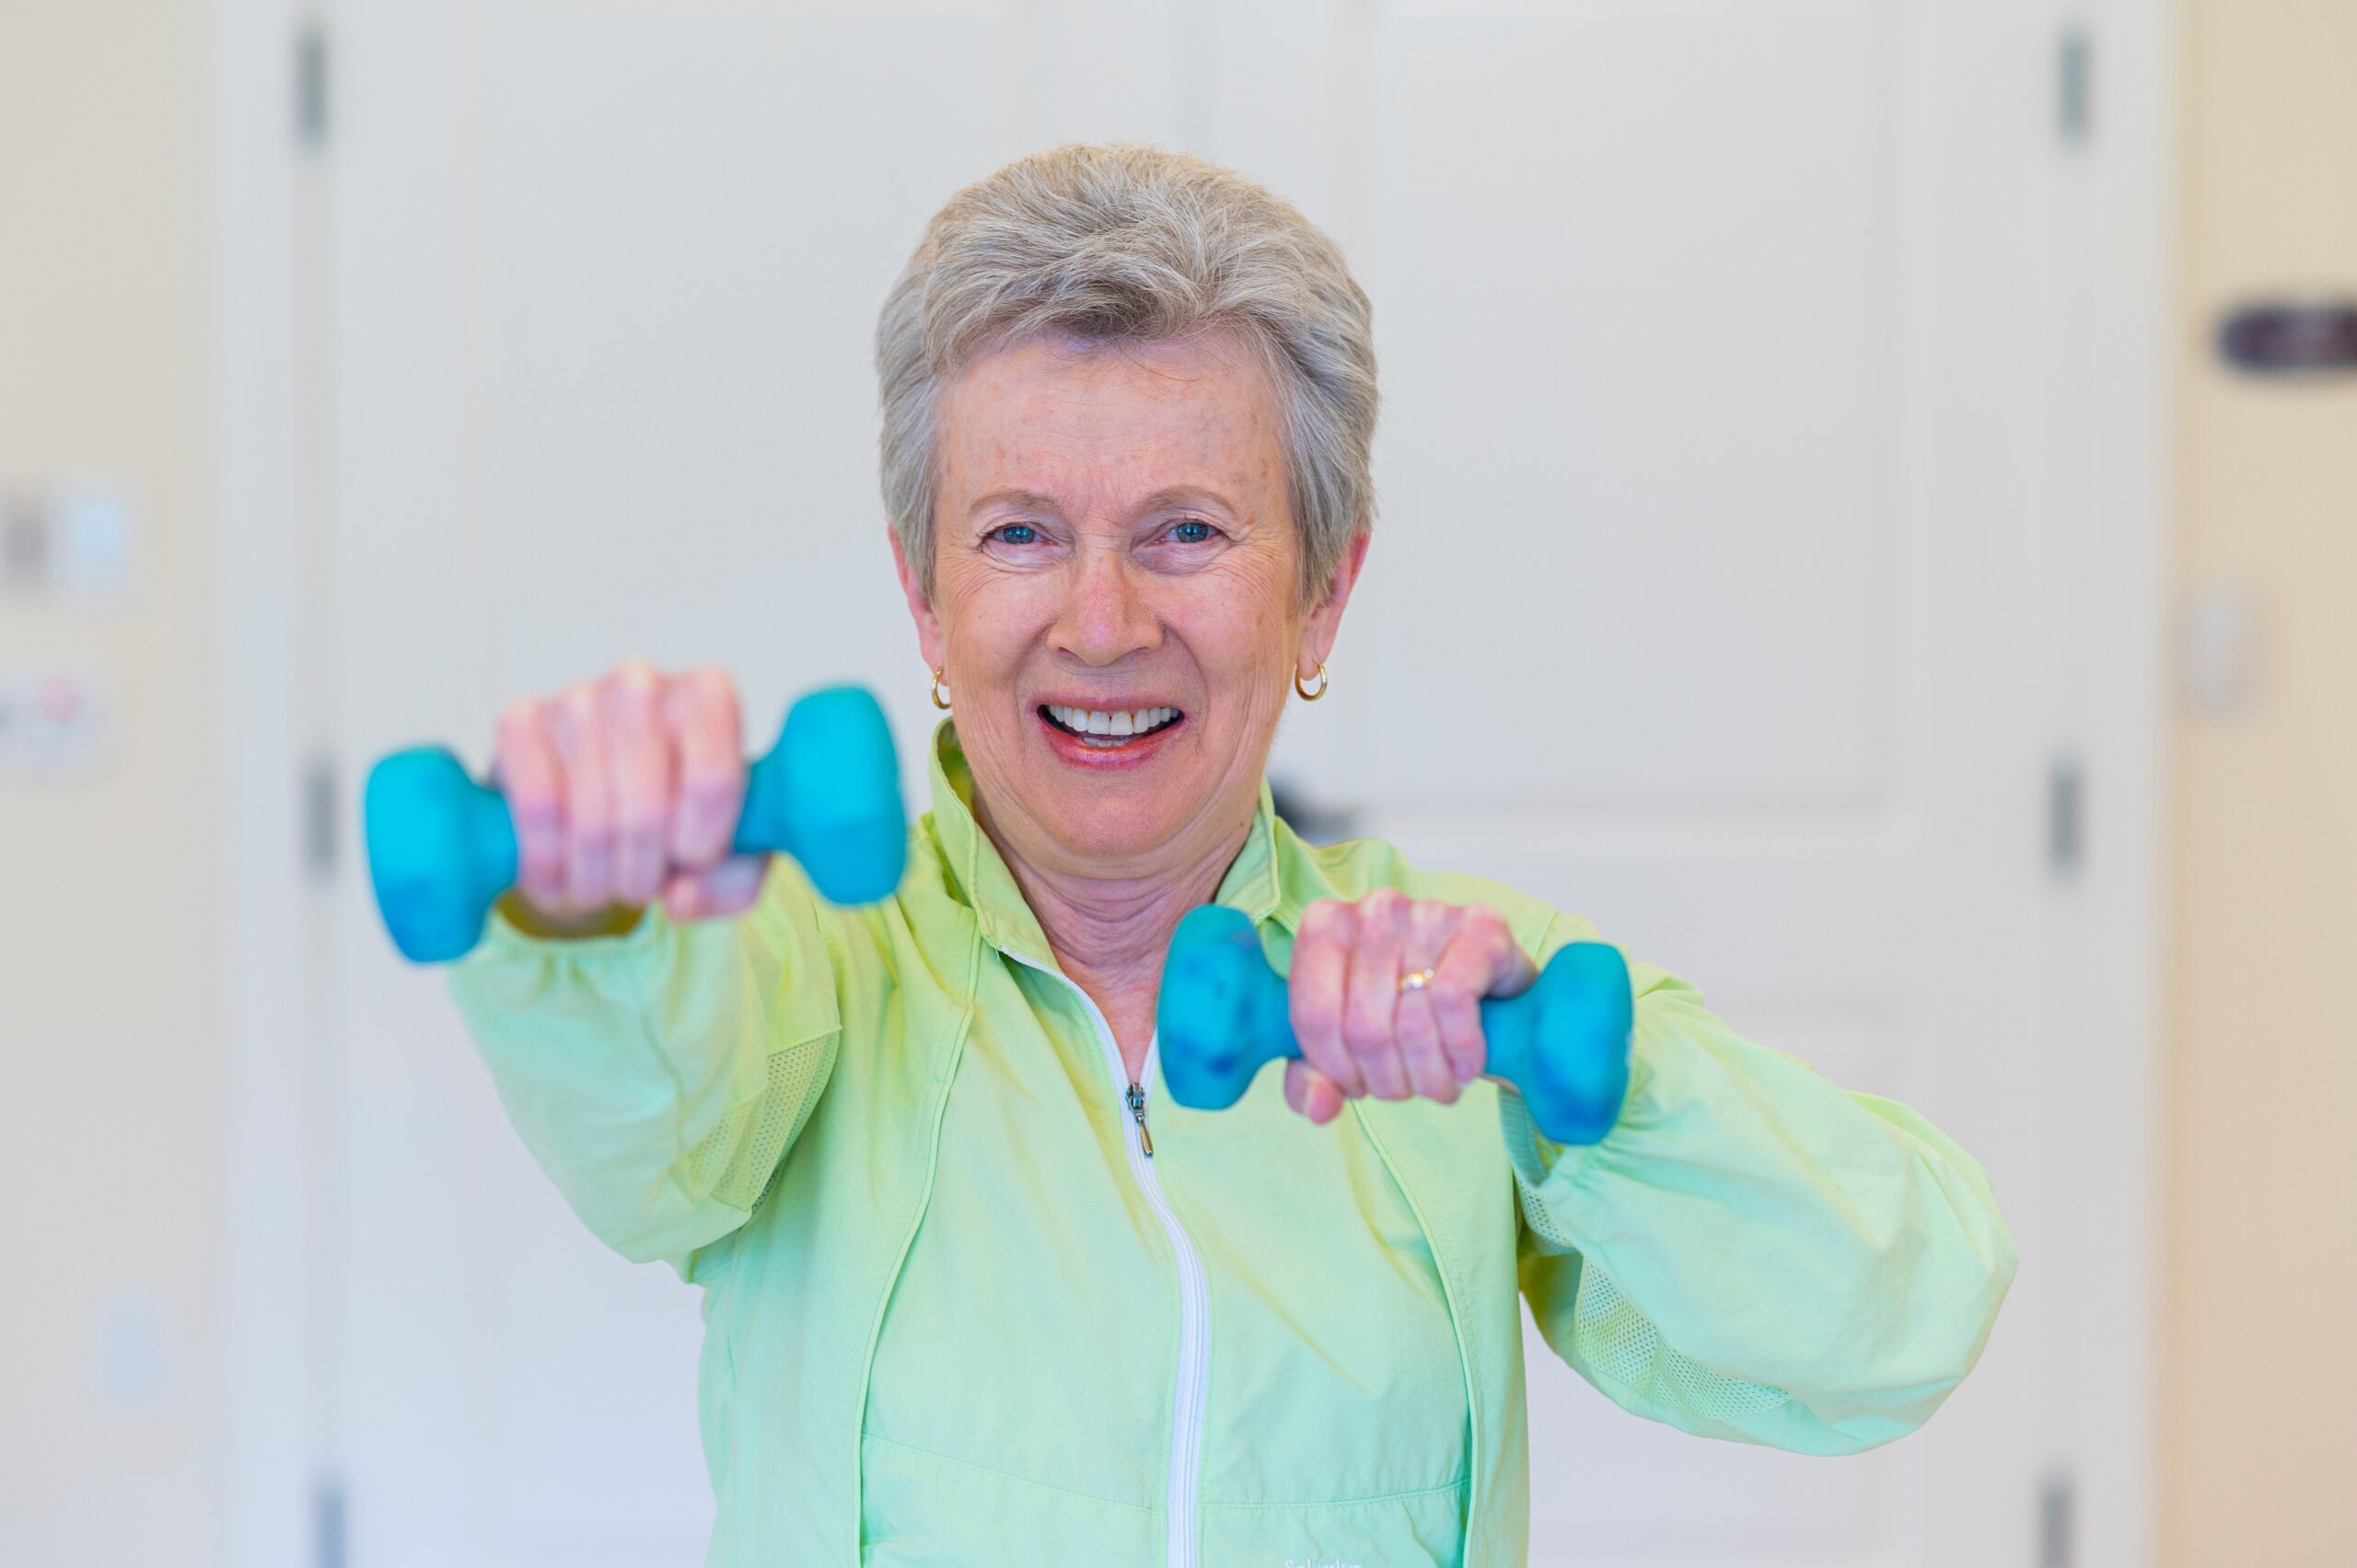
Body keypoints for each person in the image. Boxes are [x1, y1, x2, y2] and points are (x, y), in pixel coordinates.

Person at [448, 144, 2016, 1568]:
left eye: (1188, 531)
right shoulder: (812, 964)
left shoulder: (1463, 992)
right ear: (925, 598)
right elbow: (642, 1126)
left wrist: (1608, 1092)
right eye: (1019, 533)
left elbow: (1901, 1320)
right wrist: (587, 907)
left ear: (1322, 594)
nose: (1103, 622)